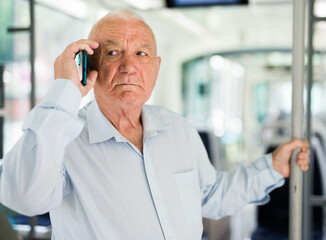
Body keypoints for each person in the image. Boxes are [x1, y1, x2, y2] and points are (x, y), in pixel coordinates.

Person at [0, 9, 310, 240]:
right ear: (90, 65)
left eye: (141, 53)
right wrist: (64, 91)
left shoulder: (179, 129)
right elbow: (23, 197)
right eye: (112, 52)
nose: (129, 67)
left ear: (156, 67)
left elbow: (212, 195)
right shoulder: (64, 138)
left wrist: (272, 166)